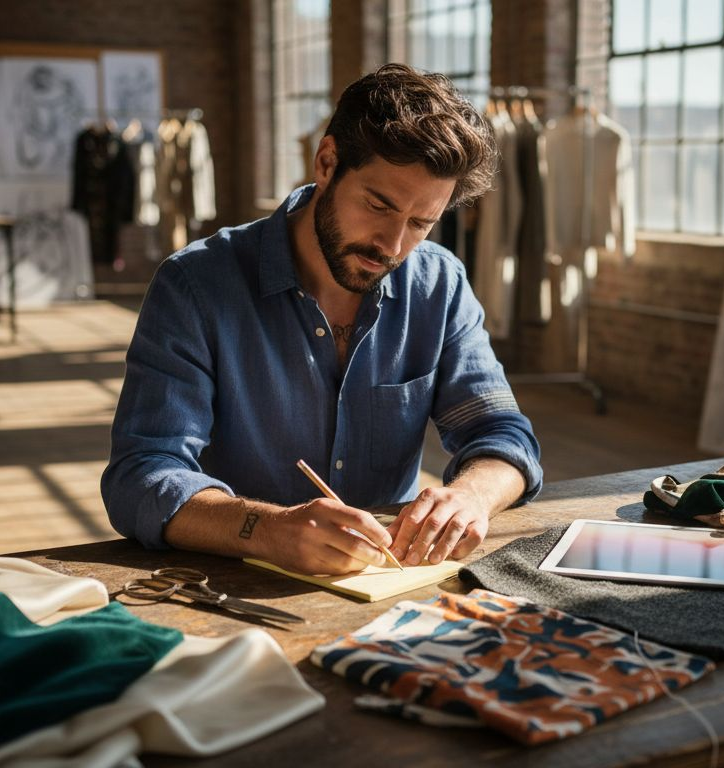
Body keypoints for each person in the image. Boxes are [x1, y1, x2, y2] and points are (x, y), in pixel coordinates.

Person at [102, 64, 542, 575]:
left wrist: (470, 497)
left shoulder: (439, 283)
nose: (393, 245)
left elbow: (504, 435)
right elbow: (140, 475)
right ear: (327, 162)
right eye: (378, 205)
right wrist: (266, 529)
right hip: (233, 586)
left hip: (387, 588)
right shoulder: (195, 285)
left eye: (421, 223)